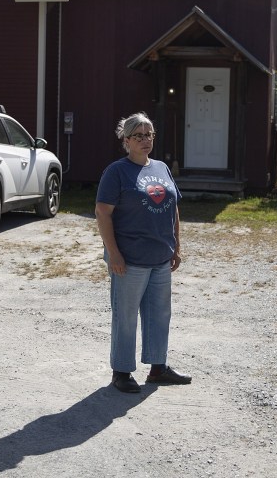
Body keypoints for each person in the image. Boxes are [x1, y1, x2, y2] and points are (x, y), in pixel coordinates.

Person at [95, 112, 191, 393]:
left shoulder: (161, 167)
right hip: (130, 259)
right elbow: (102, 212)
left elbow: (173, 207)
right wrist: (113, 254)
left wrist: (176, 246)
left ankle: (158, 368)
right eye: (139, 135)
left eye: (149, 134)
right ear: (126, 140)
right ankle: (121, 372)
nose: (146, 140)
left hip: (161, 256)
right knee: (125, 316)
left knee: (159, 314)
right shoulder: (117, 171)